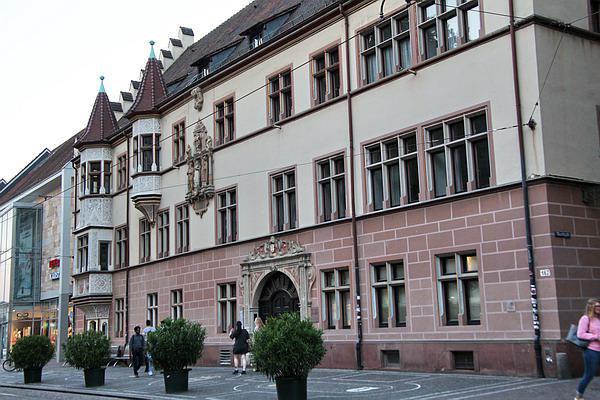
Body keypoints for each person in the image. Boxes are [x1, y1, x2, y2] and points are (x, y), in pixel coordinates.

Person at [574, 298, 600, 400]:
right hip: (591, 351)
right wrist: (595, 336)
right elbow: (580, 334)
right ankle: (578, 396)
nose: (599, 308)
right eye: (597, 306)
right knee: (589, 375)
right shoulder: (585, 318)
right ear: (590, 307)